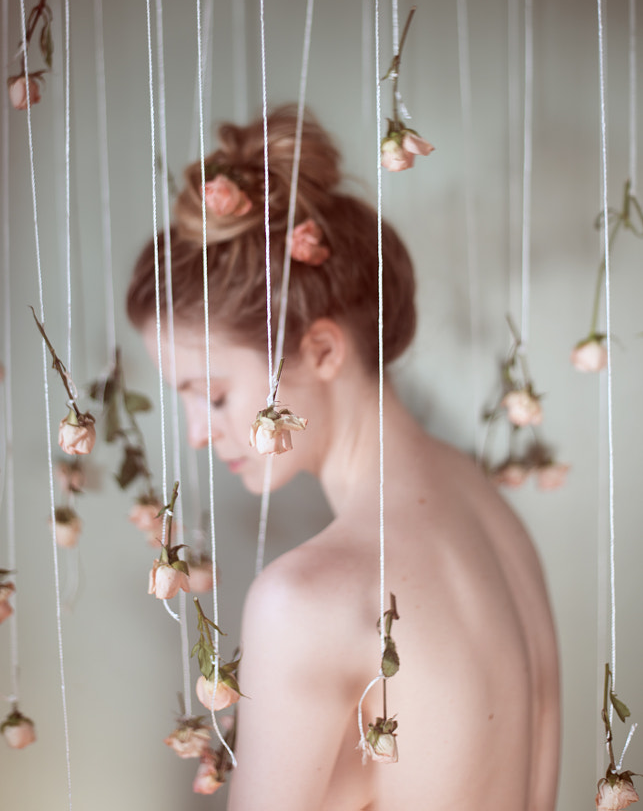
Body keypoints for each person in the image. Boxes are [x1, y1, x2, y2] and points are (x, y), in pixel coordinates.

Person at [126, 108, 560, 811]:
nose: (198, 435)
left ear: (324, 350)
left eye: (212, 395)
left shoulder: (305, 601)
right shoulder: (483, 505)